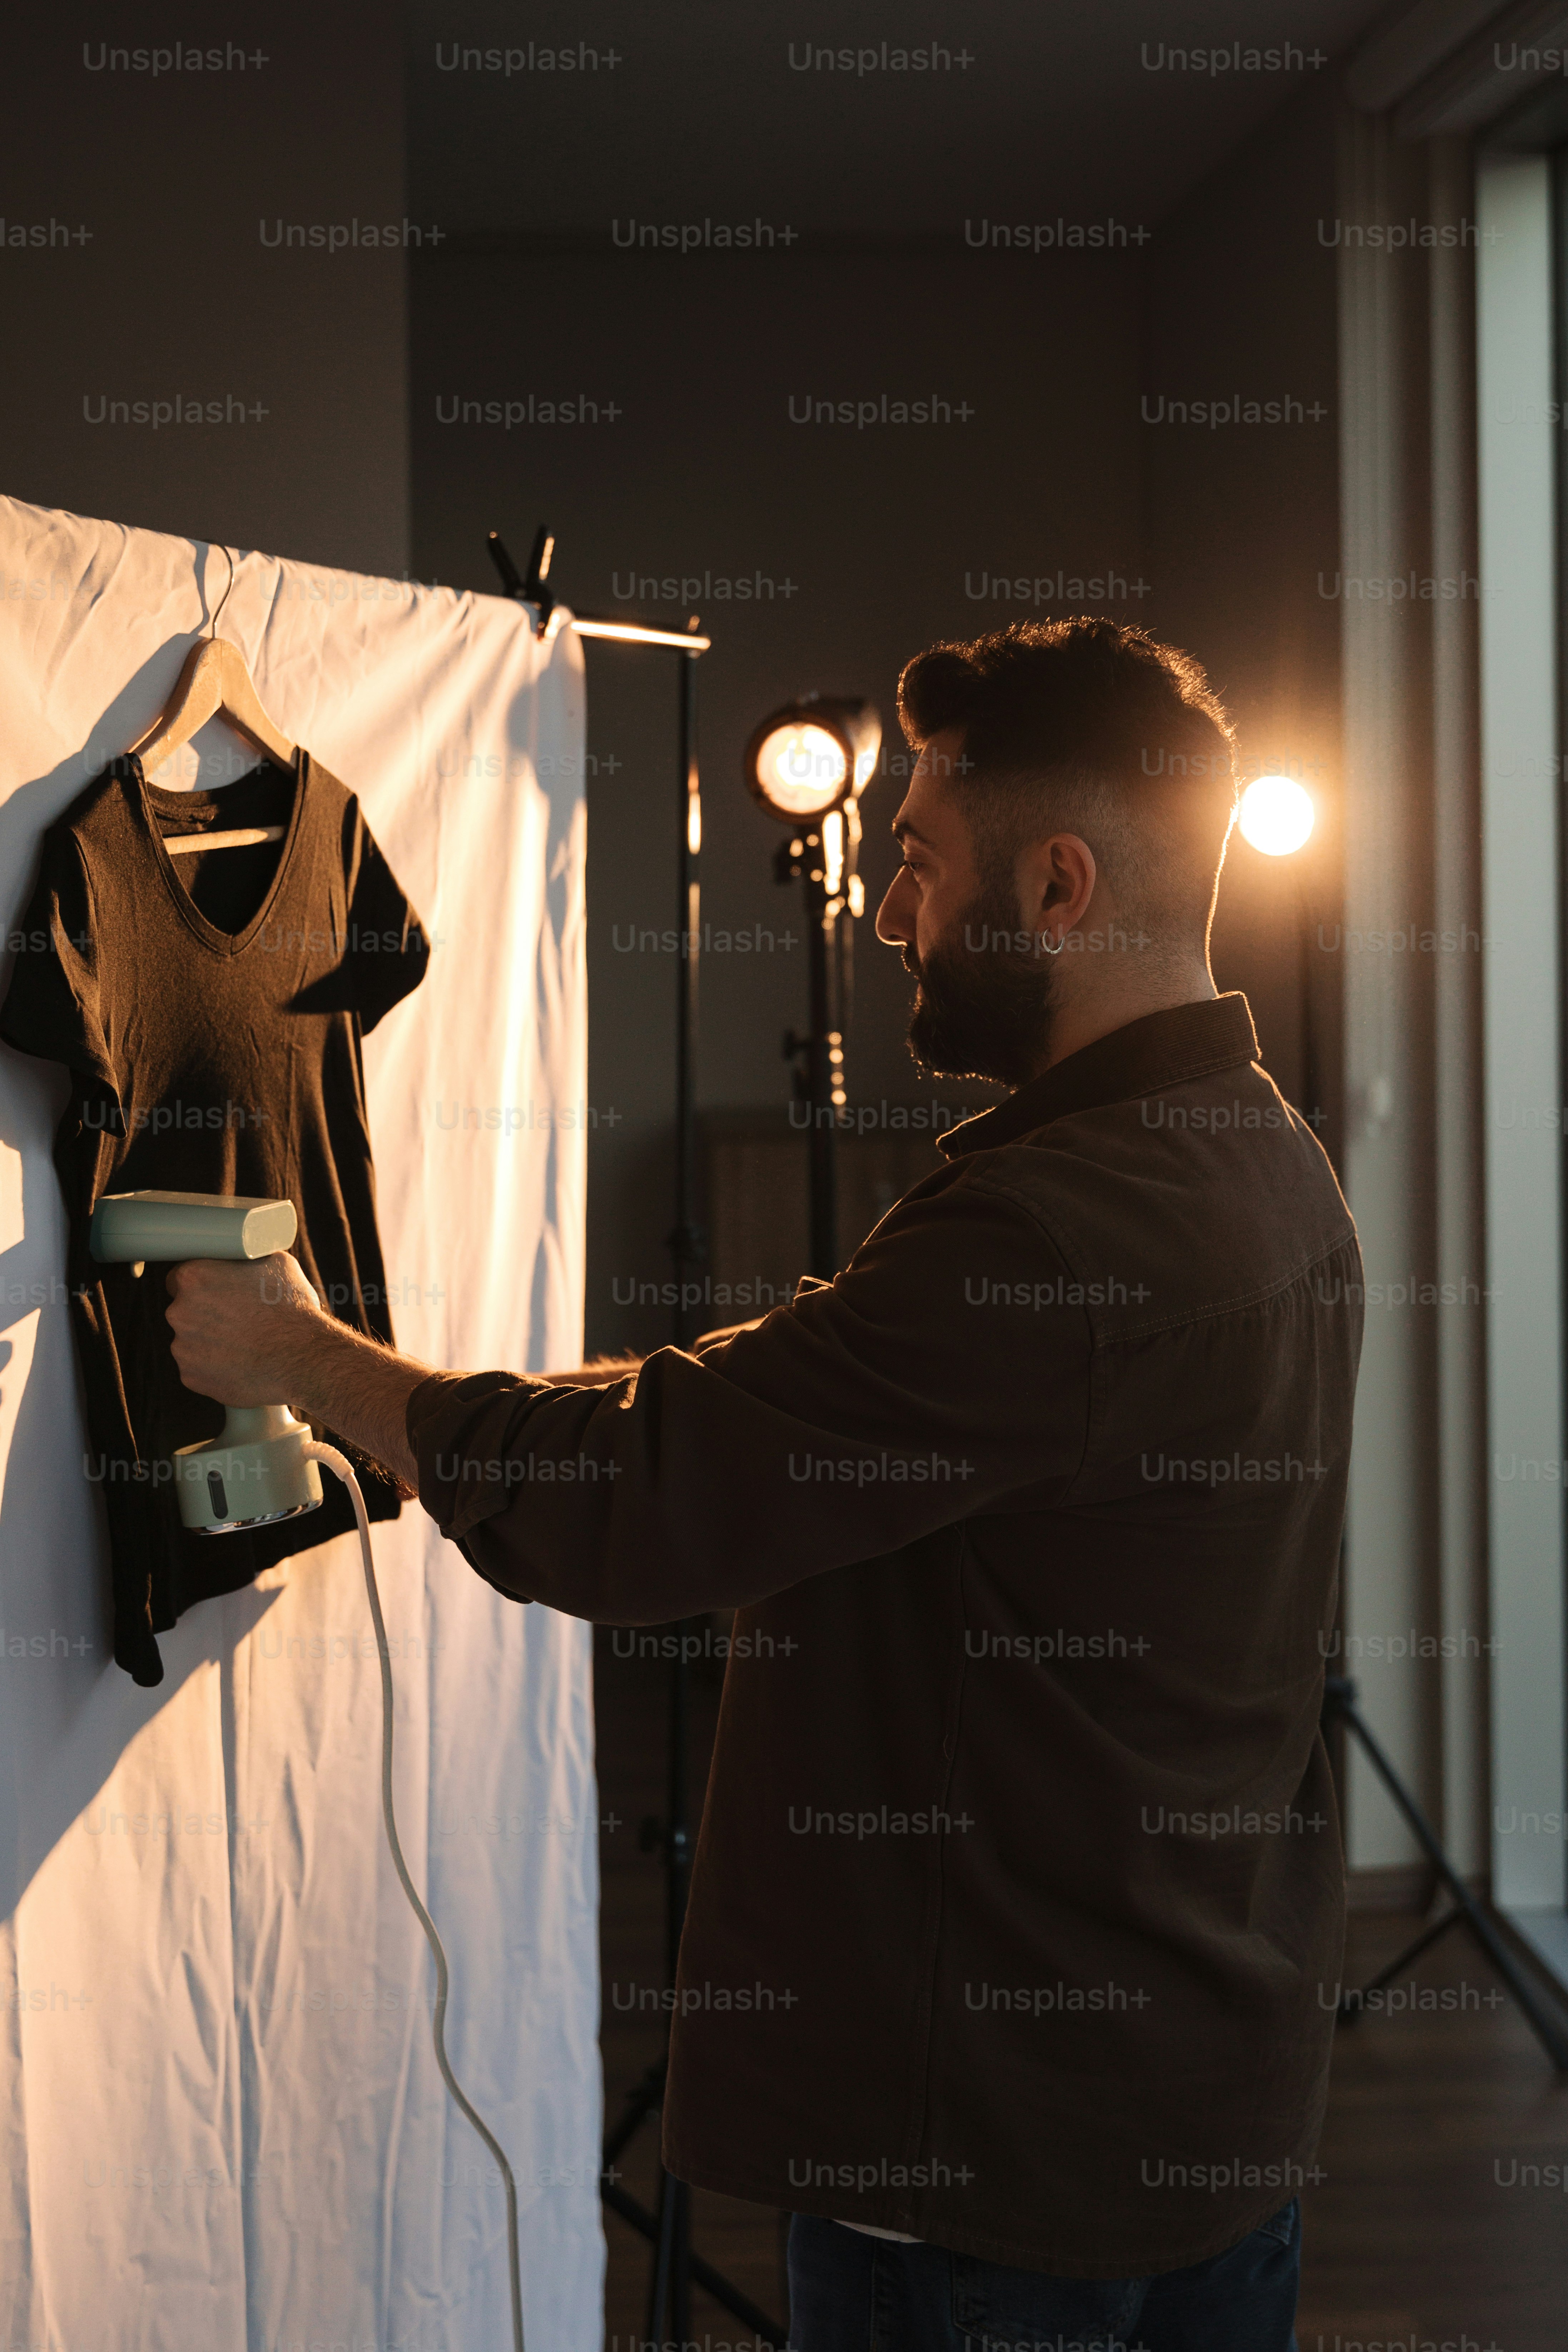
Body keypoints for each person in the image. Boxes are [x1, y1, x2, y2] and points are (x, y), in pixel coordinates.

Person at [167, 617, 1363, 2352]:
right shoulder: (1268, 1166)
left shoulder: (1050, 1231)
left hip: (986, 2171)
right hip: (1204, 2122)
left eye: (915, 864)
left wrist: (313, 1364)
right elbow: (794, 1402)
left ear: (1054, 884)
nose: (884, 912)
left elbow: (654, 1497)